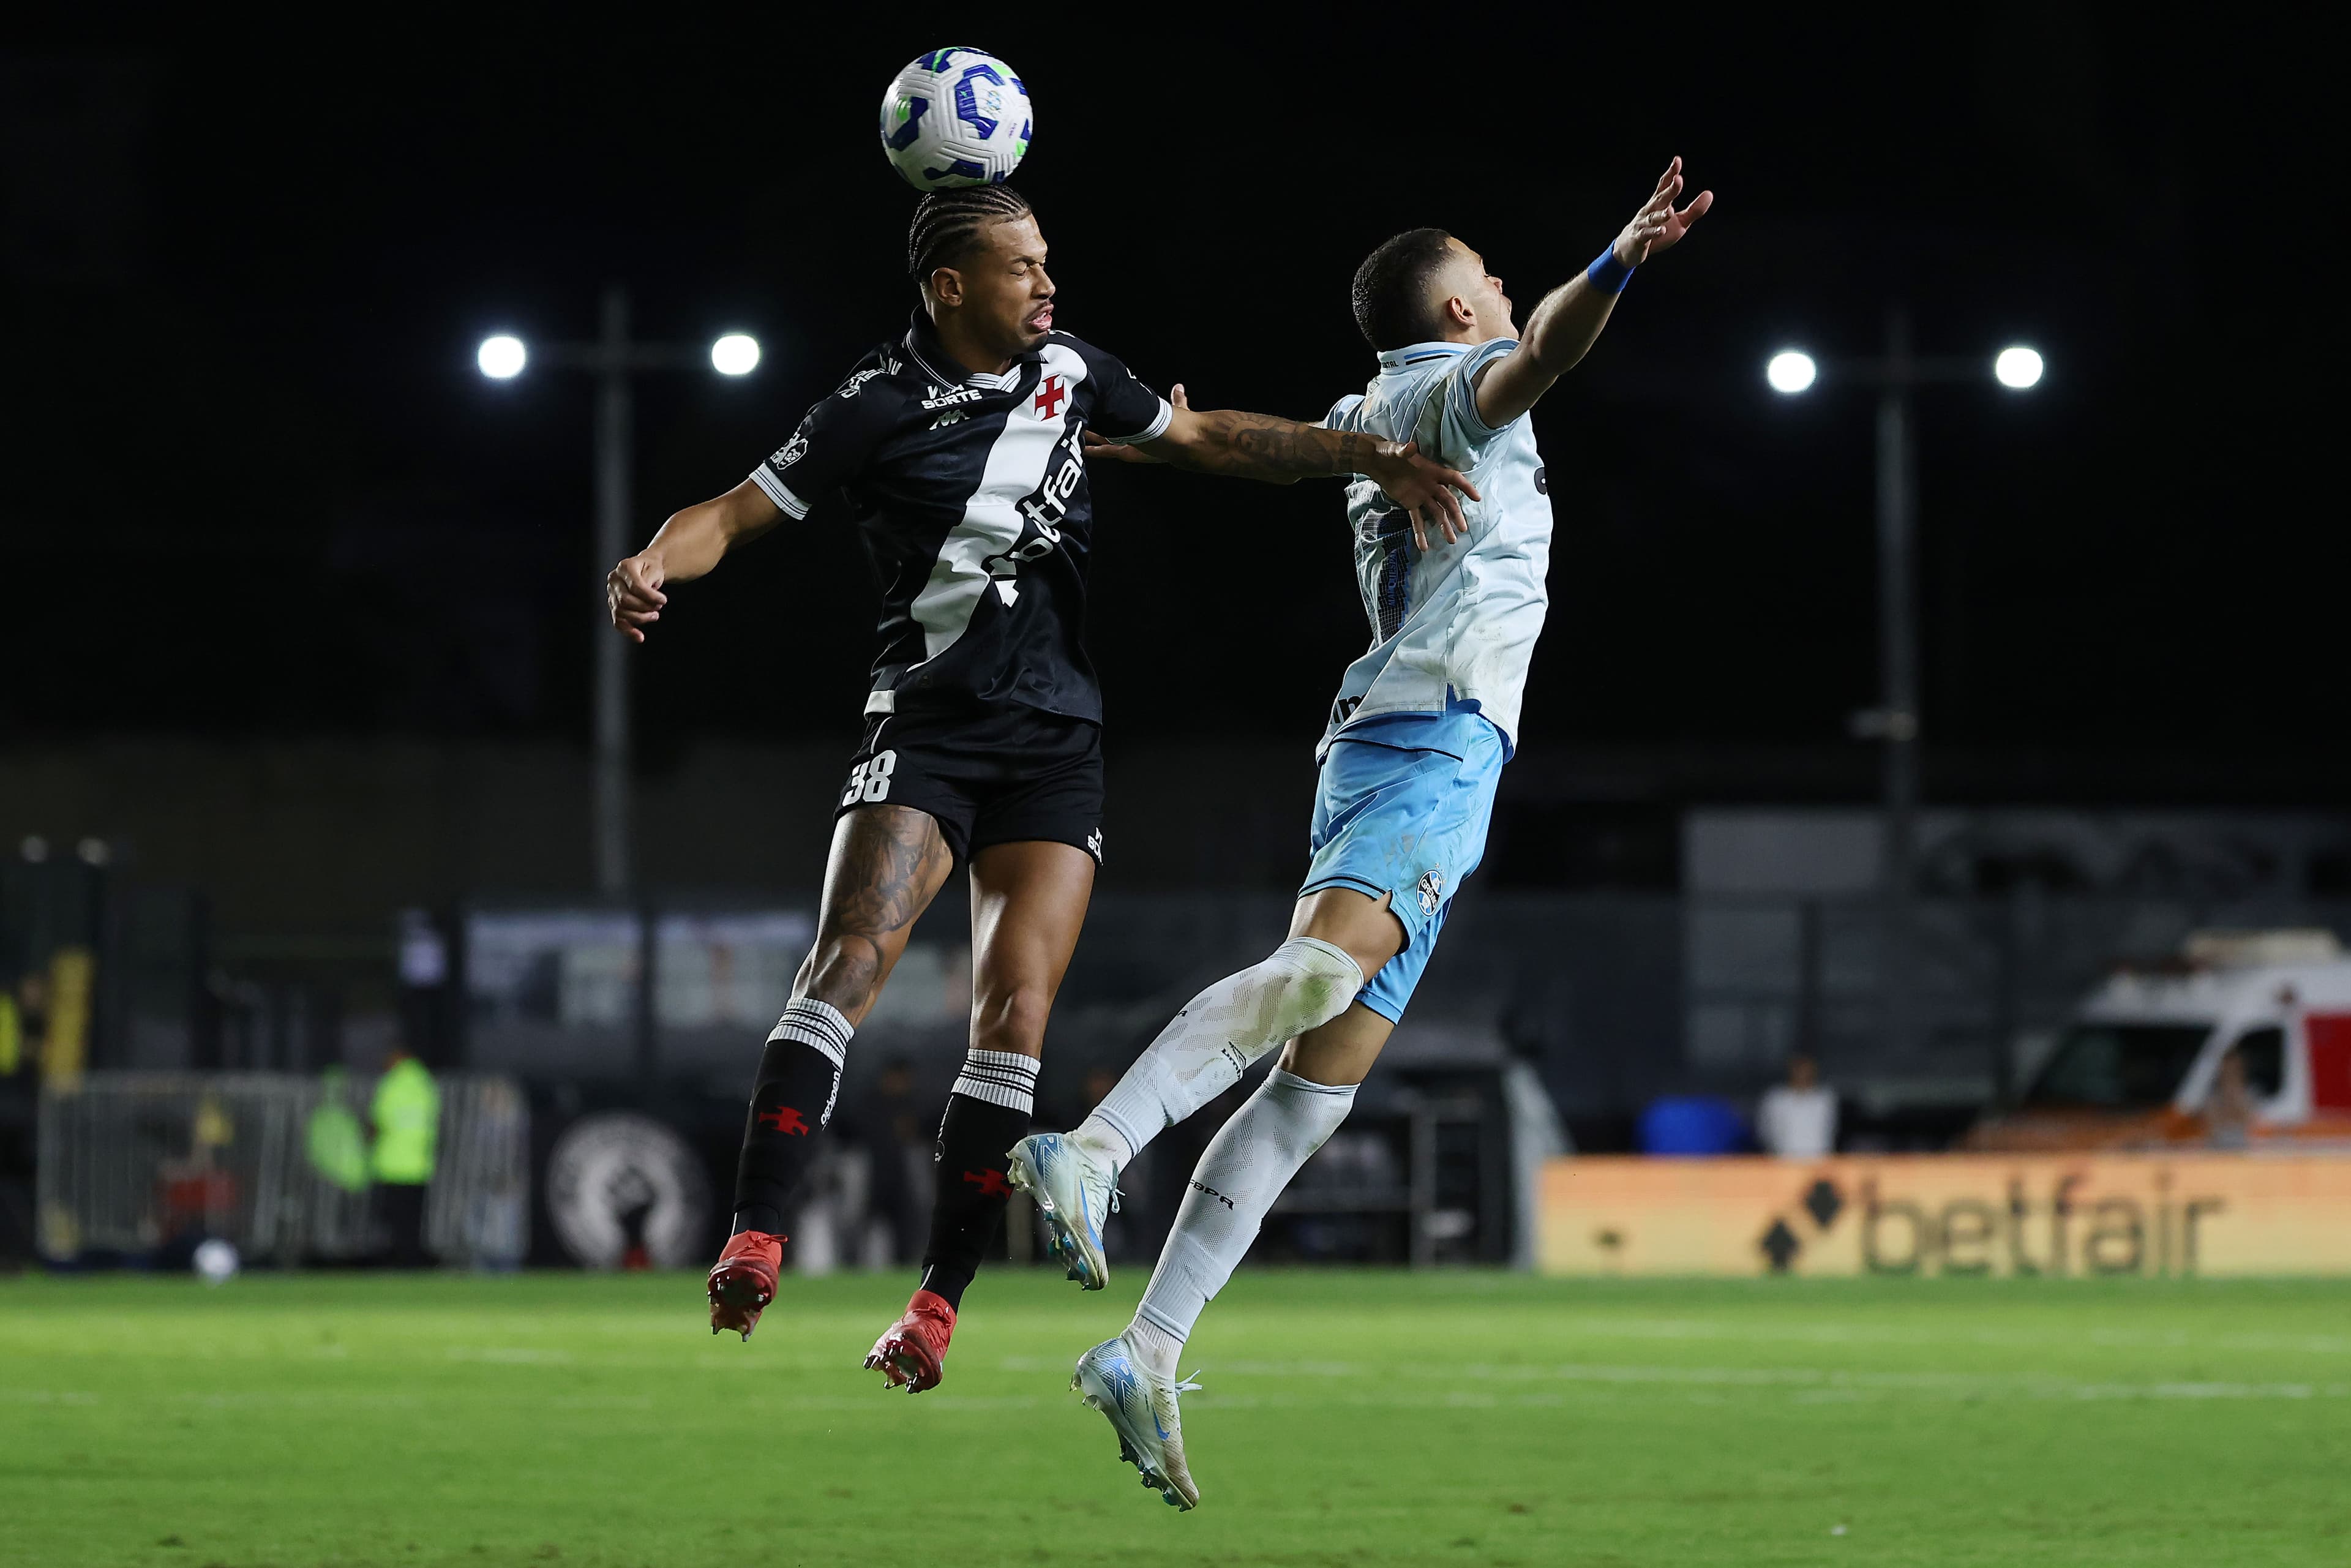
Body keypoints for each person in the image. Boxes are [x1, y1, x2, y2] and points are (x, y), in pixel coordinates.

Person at [606, 182, 1476, 1390]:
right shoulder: (876, 403)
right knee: (852, 957)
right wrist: (655, 557)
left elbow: (1212, 437)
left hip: (1056, 744)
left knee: (1013, 1018)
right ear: (950, 287)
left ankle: (934, 1303)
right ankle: (757, 1231)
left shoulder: (1075, 369)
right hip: (927, 729)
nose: (1047, 283)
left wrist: (1367, 452)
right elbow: (738, 512)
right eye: (1021, 266)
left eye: (1047, 260)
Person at [1008, 159, 1712, 1507]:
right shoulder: (1446, 393)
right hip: (1431, 733)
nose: (1508, 290)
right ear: (1456, 311)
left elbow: (1220, 437)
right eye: (1491, 278)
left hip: (1417, 740)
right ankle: (1091, 1147)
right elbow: (1544, 354)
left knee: (1315, 1091)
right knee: (1318, 978)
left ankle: (1145, 1347)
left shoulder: (1364, 407)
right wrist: (1618, 257)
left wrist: (1125, 435)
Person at [369, 1046, 440, 1267]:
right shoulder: (425, 1085)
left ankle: (396, 1261)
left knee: (392, 1221)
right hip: (419, 1165)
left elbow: (378, 1122)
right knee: (413, 1221)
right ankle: (412, 1261)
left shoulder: (391, 1085)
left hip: (392, 1165)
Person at [1756, 1052, 1839, 1159]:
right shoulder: (1776, 1099)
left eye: (1806, 1069)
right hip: (1782, 1163)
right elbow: (1764, 1131)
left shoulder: (1825, 1099)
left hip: (1819, 1162)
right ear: (1791, 1070)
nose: (1802, 1073)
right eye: (1799, 1069)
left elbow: (1832, 1130)